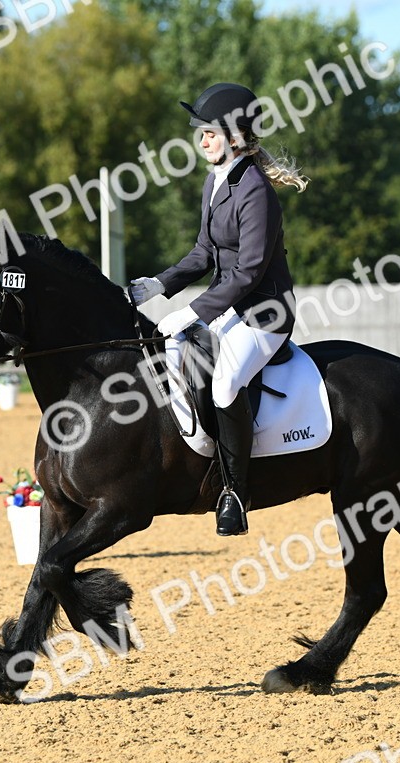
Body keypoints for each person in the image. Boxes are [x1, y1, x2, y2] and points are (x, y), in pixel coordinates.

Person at [130, 82, 308, 536]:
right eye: (201, 133)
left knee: (226, 383)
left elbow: (248, 271)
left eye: (208, 133)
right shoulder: (215, 181)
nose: (201, 140)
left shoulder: (256, 193)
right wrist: (156, 285)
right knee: (178, 359)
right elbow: (203, 253)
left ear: (235, 135)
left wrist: (192, 313)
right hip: (232, 306)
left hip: (265, 314)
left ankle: (236, 493)